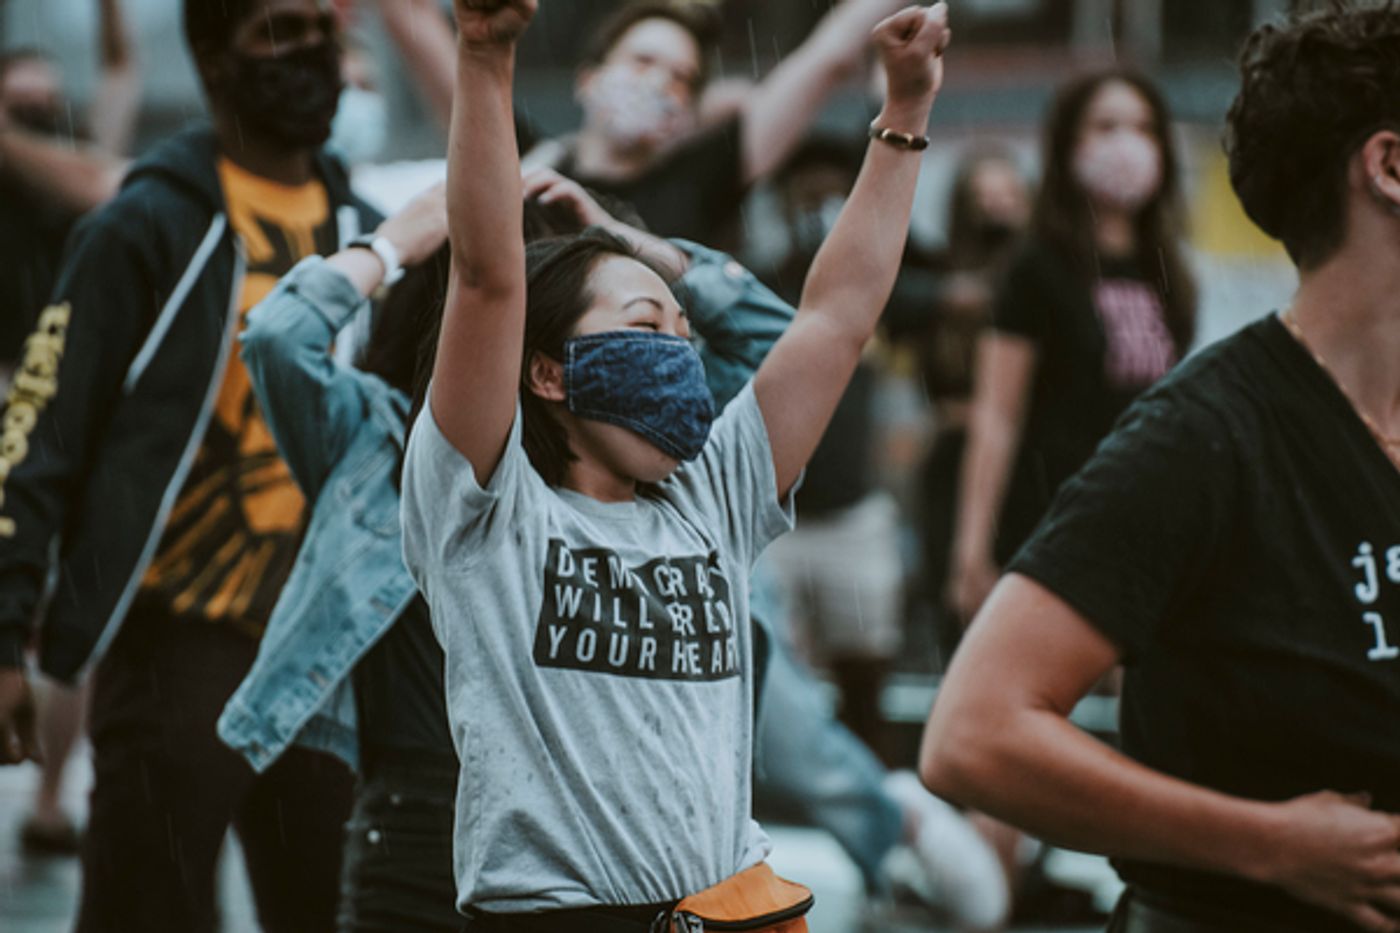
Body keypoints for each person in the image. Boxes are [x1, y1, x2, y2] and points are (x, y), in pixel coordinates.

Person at [402, 0, 947, 928]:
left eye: (686, 333)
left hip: (741, 912)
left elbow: (837, 315)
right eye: (644, 327)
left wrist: (905, 109)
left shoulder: (714, 497)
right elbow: (489, 276)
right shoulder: (485, 510)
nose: (679, 353)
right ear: (546, 369)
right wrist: (485, 58)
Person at [217, 171, 809, 932]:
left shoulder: (655, 470)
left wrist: (625, 248)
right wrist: (397, 239)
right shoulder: (373, 439)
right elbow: (274, 338)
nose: (517, 289)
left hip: (589, 839)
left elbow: (786, 344)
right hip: (417, 810)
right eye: (503, 271)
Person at [921, 4, 1400, 932]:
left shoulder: (1168, 282)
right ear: (1388, 165)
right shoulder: (1204, 436)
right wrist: (1275, 843)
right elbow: (973, 735)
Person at [0, 1, 382, 930]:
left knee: (332, 911)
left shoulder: (372, 236)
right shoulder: (145, 227)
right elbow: (38, 432)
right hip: (174, 650)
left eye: (325, 37)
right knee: (148, 908)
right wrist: (5, 630)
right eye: (280, 34)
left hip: (328, 653)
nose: (310, 58)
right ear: (214, 56)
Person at [945, 70, 1198, 625]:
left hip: (1142, 524)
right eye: (1105, 126)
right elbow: (997, 415)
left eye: (1143, 128)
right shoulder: (1037, 266)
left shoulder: (1170, 273)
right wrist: (972, 548)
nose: (1126, 143)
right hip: (1049, 525)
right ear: (1068, 144)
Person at [531, 0, 913, 244]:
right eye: (643, 61)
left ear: (687, 111)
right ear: (588, 80)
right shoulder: (526, 162)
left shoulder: (702, 177)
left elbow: (830, 56)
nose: (660, 82)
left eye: (682, 78)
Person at [910, 146, 1031, 664]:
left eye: (1008, 196)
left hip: (1028, 459)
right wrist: (950, 295)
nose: (996, 211)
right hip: (954, 455)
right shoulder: (937, 278)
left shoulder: (1040, 282)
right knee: (960, 615)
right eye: (983, 198)